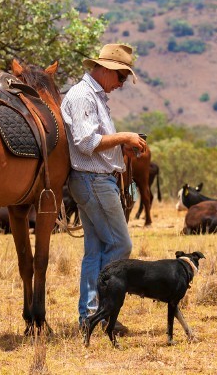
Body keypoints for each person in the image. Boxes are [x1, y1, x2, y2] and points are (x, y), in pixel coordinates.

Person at [61, 43, 147, 334]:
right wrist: (124, 135)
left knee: (95, 250)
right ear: (107, 70)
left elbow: (93, 142)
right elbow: (86, 143)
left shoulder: (91, 96)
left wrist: (121, 143)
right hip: (94, 180)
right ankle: (100, 309)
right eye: (121, 77)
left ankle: (89, 316)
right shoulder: (84, 95)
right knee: (122, 245)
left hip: (91, 180)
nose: (121, 85)